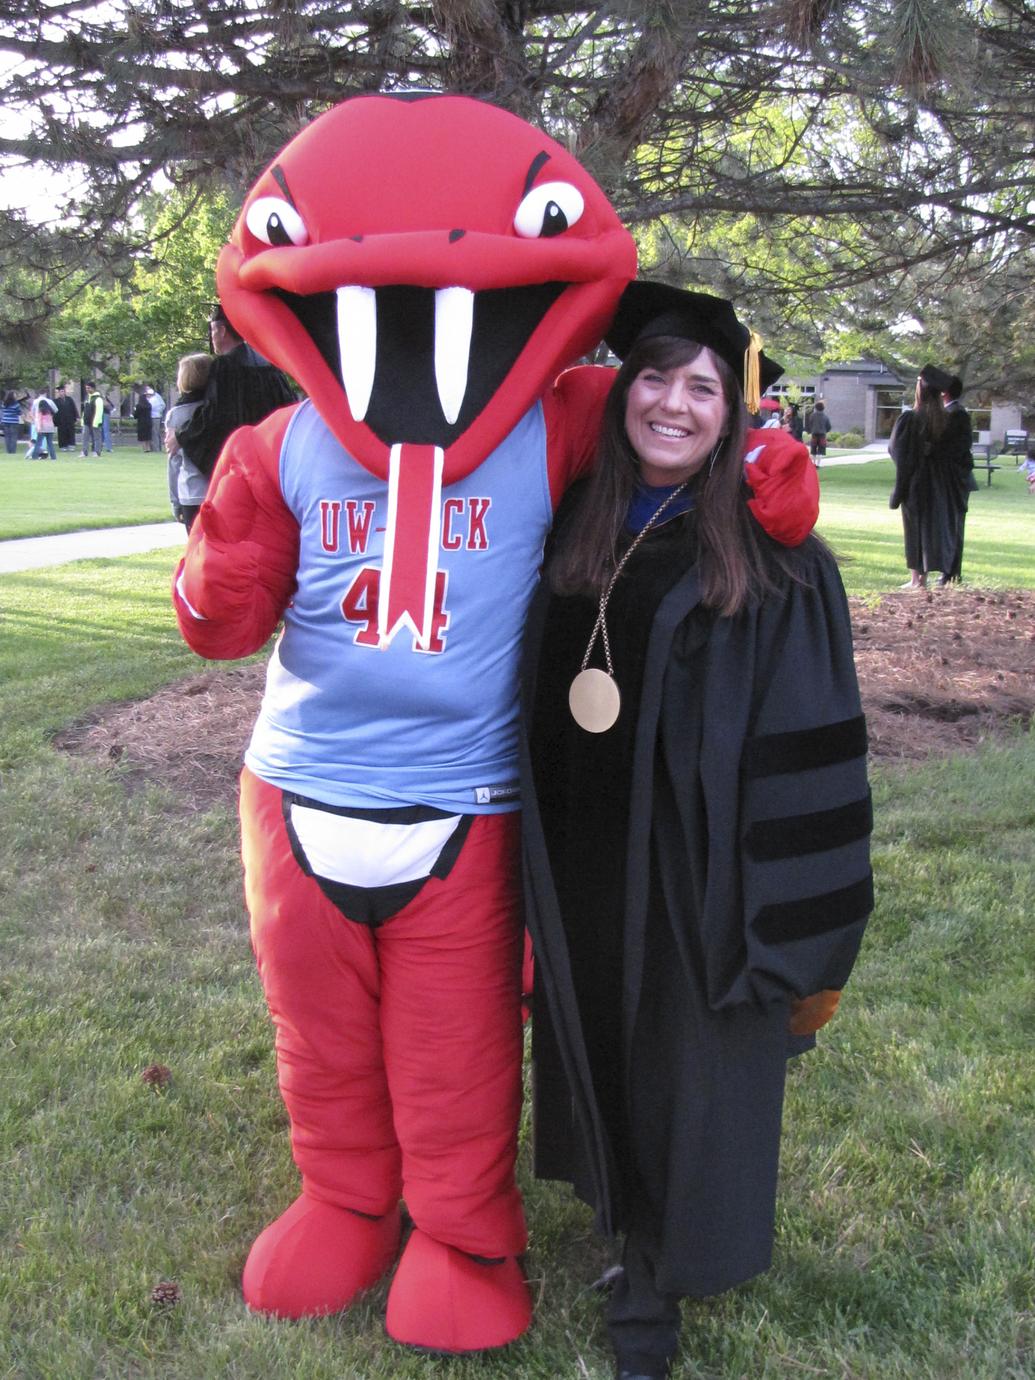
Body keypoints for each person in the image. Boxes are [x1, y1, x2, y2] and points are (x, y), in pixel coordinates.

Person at [172, 91, 820, 1360]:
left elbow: (669, 426)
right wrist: (212, 565)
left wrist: (763, 467)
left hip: (464, 809)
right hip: (297, 794)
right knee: (318, 1035)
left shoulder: (550, 421)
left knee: (455, 1043)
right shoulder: (281, 448)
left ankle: (465, 1230)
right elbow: (219, 623)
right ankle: (347, 1198)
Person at [520, 283, 873, 1380]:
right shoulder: (577, 519)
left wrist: (790, 943)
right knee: (605, 1050)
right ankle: (622, 1221)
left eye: (703, 387)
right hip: (582, 858)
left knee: (686, 1069)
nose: (672, 403)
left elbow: (811, 755)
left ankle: (657, 1289)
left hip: (695, 881)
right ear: (625, 390)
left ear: (736, 414)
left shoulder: (776, 566)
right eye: (656, 378)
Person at [171, 303, 295, 478]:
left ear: (222, 331)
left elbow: (214, 414)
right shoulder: (269, 364)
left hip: (241, 461)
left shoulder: (224, 367)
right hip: (270, 456)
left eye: (213, 331)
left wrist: (182, 435)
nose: (212, 337)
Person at [889, 364, 973, 589]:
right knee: (931, 528)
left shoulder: (911, 419)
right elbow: (959, 453)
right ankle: (928, 576)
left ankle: (917, 578)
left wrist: (899, 488)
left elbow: (898, 452)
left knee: (914, 528)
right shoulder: (949, 420)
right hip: (940, 485)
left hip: (917, 483)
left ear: (920, 390)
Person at [165, 353, 213, 532]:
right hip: (218, 490)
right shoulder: (216, 408)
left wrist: (174, 499)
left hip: (190, 491)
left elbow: (174, 461)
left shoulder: (176, 414)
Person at [940, 374, 977, 583]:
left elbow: (958, 449)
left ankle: (952, 572)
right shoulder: (953, 412)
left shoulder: (956, 414)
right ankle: (949, 571)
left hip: (957, 481)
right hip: (954, 479)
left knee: (955, 525)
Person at [30, 390, 58, 459]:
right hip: (50, 429)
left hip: (42, 428)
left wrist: (38, 428)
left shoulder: (40, 411)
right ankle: (53, 457)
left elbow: (39, 420)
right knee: (50, 443)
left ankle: (34, 456)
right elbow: (56, 411)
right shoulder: (50, 412)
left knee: (38, 443)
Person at [804, 399, 831, 464]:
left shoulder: (812, 415)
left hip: (814, 434)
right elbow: (829, 426)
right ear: (823, 408)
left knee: (813, 449)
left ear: (816, 408)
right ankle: (818, 464)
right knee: (820, 450)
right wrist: (825, 431)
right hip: (822, 435)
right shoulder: (825, 416)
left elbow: (809, 424)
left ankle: (814, 463)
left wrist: (810, 431)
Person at [54, 384, 79, 450]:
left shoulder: (69, 399)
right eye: (61, 391)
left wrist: (76, 417)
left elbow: (74, 408)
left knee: (70, 432)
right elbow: (55, 412)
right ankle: (63, 446)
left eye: (63, 391)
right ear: (58, 393)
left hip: (70, 419)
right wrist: (55, 421)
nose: (62, 393)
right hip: (61, 420)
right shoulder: (56, 401)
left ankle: (71, 445)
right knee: (62, 433)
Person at [81, 387, 104, 457]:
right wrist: (83, 420)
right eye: (86, 388)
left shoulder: (98, 398)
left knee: (97, 438)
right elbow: (85, 410)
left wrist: (96, 422)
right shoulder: (87, 398)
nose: (87, 389)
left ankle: (97, 452)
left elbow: (99, 411)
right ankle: (84, 452)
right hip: (86, 421)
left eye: (89, 388)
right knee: (85, 437)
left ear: (93, 388)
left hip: (95, 422)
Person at [148, 386, 166, 452]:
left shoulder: (153, 399)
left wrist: (158, 412)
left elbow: (151, 407)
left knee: (154, 433)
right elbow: (163, 405)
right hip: (157, 416)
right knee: (156, 433)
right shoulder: (157, 397)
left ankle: (156, 449)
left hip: (154, 417)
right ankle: (157, 448)